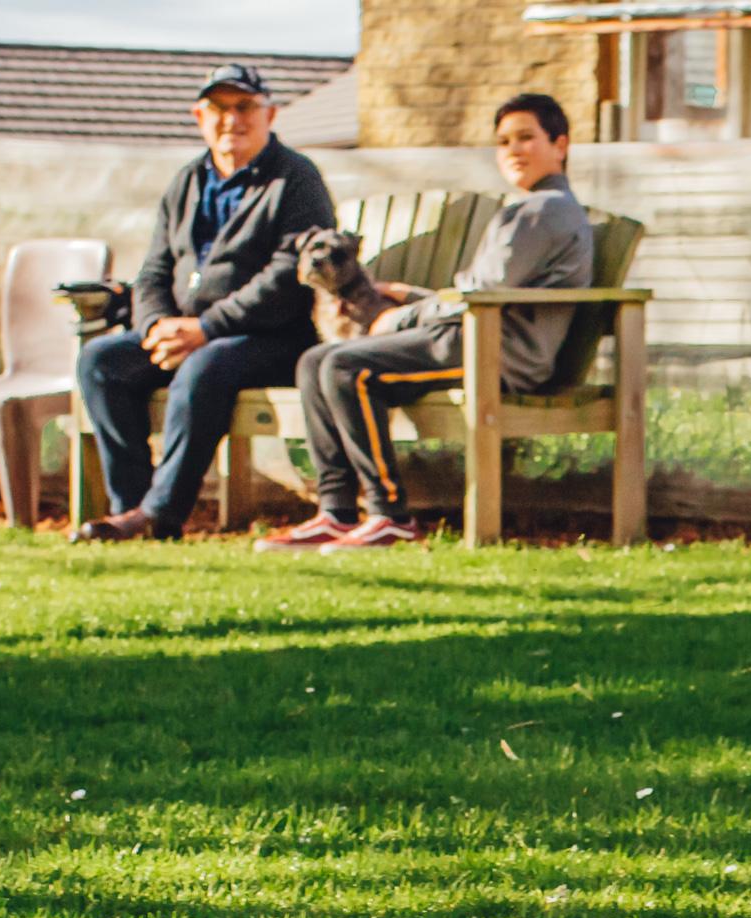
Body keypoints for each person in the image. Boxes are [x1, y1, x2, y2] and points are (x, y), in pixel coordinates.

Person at [254, 93, 594, 553]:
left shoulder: (543, 210)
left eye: (526, 138)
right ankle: (335, 512)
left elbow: (479, 293)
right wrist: (415, 298)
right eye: (503, 141)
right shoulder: (533, 209)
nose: (513, 150)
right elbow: (483, 289)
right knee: (317, 360)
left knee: (344, 369)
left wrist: (403, 315)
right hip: (472, 336)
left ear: (561, 144)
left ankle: (387, 514)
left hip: (499, 352)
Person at [73, 63, 335, 541]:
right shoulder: (188, 180)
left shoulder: (295, 178)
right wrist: (156, 326)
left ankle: (162, 513)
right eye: (218, 108)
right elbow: (153, 269)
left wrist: (206, 328)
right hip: (186, 334)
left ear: (269, 114)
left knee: (204, 365)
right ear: (199, 116)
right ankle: (130, 509)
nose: (231, 119)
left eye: (244, 107)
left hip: (270, 339)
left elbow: (287, 277)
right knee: (100, 361)